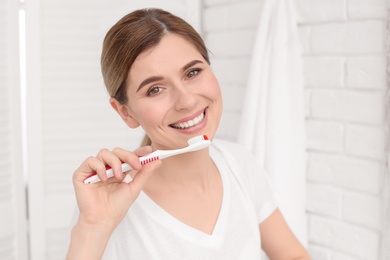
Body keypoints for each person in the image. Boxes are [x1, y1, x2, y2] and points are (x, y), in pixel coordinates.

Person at [66, 8, 310, 260]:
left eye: (193, 72)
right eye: (155, 89)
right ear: (125, 112)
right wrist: (93, 228)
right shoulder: (106, 207)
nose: (186, 100)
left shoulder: (240, 164)